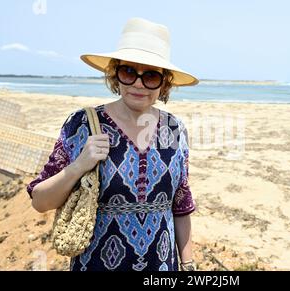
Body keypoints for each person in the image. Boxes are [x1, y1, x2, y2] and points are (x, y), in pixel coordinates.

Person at [26, 17, 198, 271]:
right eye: (128, 72)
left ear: (165, 83)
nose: (138, 83)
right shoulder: (81, 124)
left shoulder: (175, 129)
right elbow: (40, 202)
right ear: (115, 75)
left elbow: (180, 205)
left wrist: (189, 264)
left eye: (150, 76)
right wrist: (80, 165)